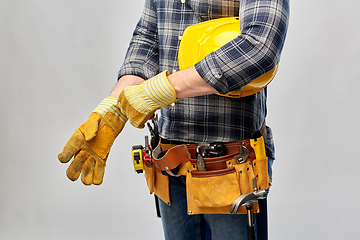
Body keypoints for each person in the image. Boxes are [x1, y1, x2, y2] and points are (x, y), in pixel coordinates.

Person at [58, 0, 289, 239]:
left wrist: (162, 89)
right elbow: (148, 39)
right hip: (171, 165)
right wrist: (113, 110)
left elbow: (261, 46)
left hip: (231, 167)